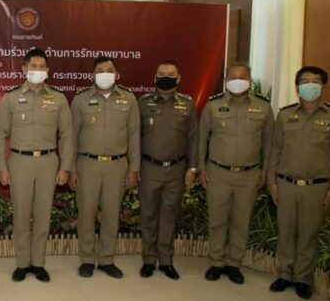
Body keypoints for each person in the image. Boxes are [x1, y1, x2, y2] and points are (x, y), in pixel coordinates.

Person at [268, 66, 330, 299]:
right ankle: (284, 273)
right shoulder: (285, 115)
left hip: (317, 186)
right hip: (286, 183)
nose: (310, 85)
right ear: (297, 87)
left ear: (323, 86)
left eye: (315, 81)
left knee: (308, 233)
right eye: (305, 81)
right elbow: (275, 150)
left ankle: (302, 278)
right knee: (286, 230)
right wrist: (272, 181)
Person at [0, 49, 74, 282]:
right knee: (21, 215)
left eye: (42, 67)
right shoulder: (10, 98)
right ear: (24, 68)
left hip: (48, 162)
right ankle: (22, 263)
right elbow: (0, 135)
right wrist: (2, 167)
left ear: (48, 70)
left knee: (43, 214)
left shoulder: (58, 98)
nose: (37, 70)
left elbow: (67, 135)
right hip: (19, 162)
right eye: (33, 66)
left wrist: (65, 167)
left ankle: (38, 263)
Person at [198, 62, 273, 285]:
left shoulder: (263, 108)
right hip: (218, 172)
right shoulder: (213, 106)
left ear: (250, 80)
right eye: (232, 76)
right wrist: (201, 167)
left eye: (242, 77)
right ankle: (216, 262)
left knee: (241, 221)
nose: (237, 80)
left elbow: (269, 143)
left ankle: (234, 263)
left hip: (249, 174)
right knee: (217, 220)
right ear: (226, 81)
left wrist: (265, 170)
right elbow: (202, 138)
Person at [70, 55, 139, 279]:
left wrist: (134, 168)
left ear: (117, 74)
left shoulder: (128, 99)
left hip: (117, 166)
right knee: (86, 213)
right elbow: (71, 137)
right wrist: (71, 169)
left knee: (111, 214)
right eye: (100, 71)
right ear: (93, 74)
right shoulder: (81, 99)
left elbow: (134, 136)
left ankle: (107, 259)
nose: (105, 74)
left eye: (109, 70)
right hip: (87, 164)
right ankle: (87, 259)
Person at [137, 61, 198, 280]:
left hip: (176, 169)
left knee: (170, 215)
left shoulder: (187, 104)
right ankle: (148, 259)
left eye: (171, 74)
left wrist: (193, 166)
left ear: (178, 78)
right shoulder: (143, 103)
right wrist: (134, 167)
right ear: (155, 77)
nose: (166, 77)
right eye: (161, 73)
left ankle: (166, 261)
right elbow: (134, 137)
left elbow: (193, 138)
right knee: (148, 214)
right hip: (149, 167)